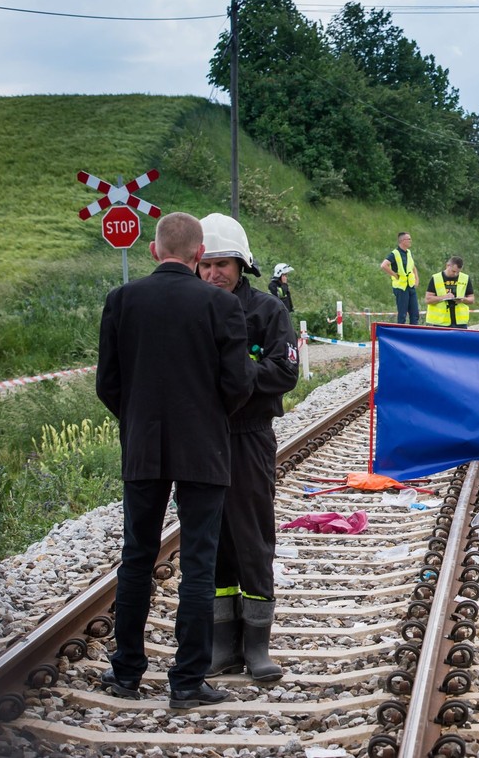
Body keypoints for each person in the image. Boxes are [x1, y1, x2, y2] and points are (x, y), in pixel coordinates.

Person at [95, 212, 253, 709]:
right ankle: (186, 681)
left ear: (153, 251)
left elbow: (108, 383)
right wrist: (207, 417)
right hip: (203, 447)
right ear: (199, 255)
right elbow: (239, 385)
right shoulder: (218, 305)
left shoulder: (122, 300)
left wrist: (139, 418)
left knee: (137, 557)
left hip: (142, 447)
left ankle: (125, 673)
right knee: (199, 564)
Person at [197, 214, 300, 683]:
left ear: (243, 265)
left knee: (253, 539)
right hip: (202, 438)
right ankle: (222, 644)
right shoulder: (190, 309)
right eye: (207, 265)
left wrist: (237, 375)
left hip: (250, 436)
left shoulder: (267, 311)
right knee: (213, 541)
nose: (215, 273)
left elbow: (285, 372)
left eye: (224, 264)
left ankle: (257, 645)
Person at [425, 256, 475, 328]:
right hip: (440, 322)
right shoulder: (436, 278)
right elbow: (428, 299)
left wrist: (463, 300)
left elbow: (471, 299)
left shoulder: (465, 278)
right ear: (447, 265)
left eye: (458, 272)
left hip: (460, 323)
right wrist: (443, 297)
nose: (455, 274)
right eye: (453, 271)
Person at [380, 232, 419, 324]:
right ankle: (401, 334)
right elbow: (383, 265)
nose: (410, 241)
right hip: (401, 287)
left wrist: (416, 279)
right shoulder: (395, 253)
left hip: (410, 286)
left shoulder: (408, 252)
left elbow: (413, 266)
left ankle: (414, 334)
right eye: (408, 239)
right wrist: (394, 275)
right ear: (402, 241)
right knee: (402, 315)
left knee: (415, 313)